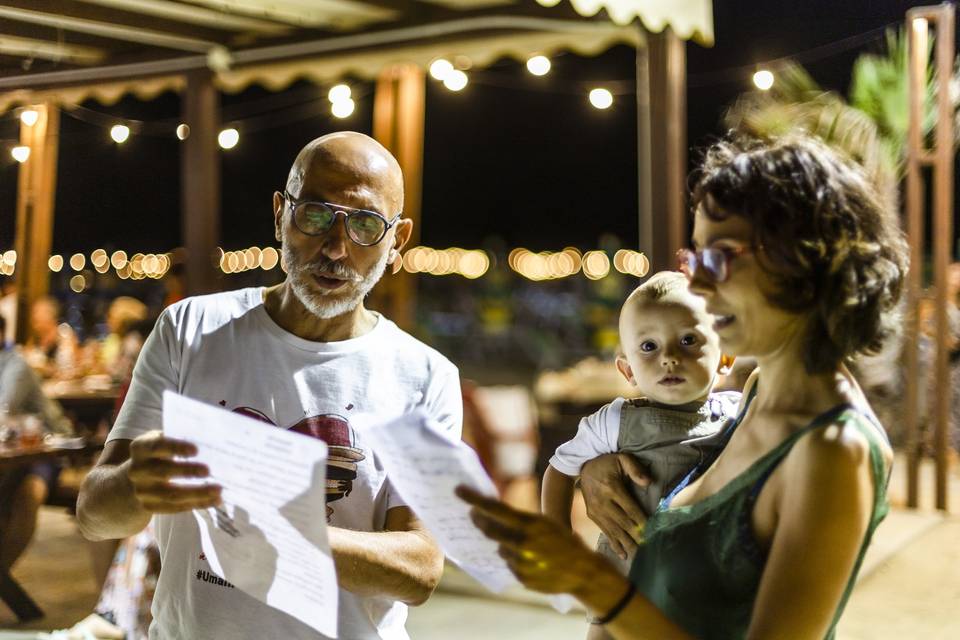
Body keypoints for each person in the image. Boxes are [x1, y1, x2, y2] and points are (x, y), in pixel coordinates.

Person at [460, 134, 904, 639]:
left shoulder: (833, 450)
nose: (697, 285)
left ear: (796, 259)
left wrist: (592, 583)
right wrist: (604, 465)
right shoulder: (756, 393)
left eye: (719, 258)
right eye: (696, 260)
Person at [77, 132, 462, 639]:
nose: (336, 247)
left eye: (366, 225)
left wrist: (278, 533)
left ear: (398, 240)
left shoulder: (423, 376)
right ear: (280, 213)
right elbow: (94, 515)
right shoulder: (189, 330)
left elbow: (418, 569)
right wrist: (135, 483)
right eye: (317, 214)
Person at [542, 271, 739, 638]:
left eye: (688, 340)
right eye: (648, 346)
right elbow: (559, 468)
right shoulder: (615, 420)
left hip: (705, 589)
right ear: (627, 369)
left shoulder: (737, 415)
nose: (669, 357)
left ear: (725, 355)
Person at [0, 314, 74, 574]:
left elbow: (3, 410)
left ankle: (3, 576)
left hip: (45, 452)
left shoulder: (15, 366)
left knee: (28, 494)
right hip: (11, 456)